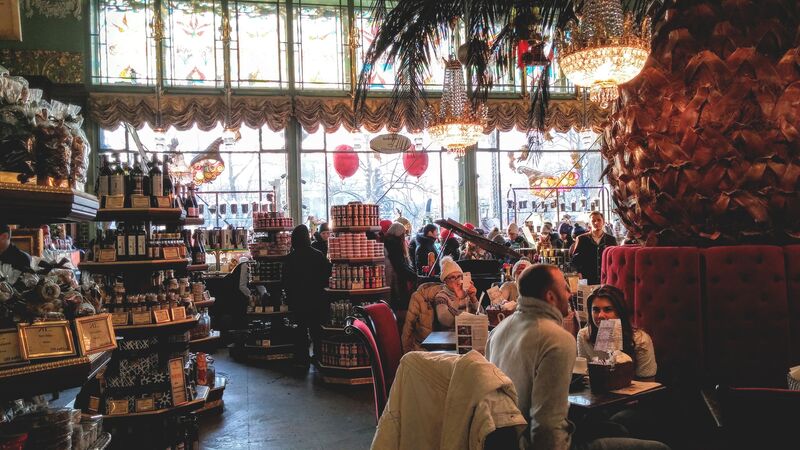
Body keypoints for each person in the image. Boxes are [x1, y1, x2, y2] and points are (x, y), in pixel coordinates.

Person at [486, 264, 669, 450]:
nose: (570, 293)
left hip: (509, 439)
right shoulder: (556, 338)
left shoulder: (499, 330)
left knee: (616, 428)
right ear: (550, 296)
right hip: (539, 443)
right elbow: (547, 422)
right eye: (565, 288)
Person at [577, 285, 657, 380]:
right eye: (596, 310)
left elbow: (648, 379)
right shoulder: (584, 336)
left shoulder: (641, 340)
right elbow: (585, 376)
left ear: (620, 312)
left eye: (608, 309)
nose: (600, 315)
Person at [282, 225, 332, 367]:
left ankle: (302, 358)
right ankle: (318, 356)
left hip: (298, 300)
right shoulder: (318, 255)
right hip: (316, 298)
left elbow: (285, 281)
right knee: (316, 329)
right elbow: (326, 276)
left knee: (300, 329)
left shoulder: (290, 258)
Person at [571, 212, 617, 285]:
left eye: (599, 220)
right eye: (593, 221)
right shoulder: (582, 239)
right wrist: (578, 272)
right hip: (586, 278)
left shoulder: (611, 239)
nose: (596, 223)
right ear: (589, 223)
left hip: (606, 278)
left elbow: (615, 260)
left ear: (603, 222)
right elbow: (575, 259)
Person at [433, 256, 479, 330]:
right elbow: (445, 322)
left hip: (469, 332)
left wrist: (473, 298)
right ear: (445, 281)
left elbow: (482, 317)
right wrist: (457, 299)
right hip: (450, 335)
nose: (457, 280)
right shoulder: (441, 296)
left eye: (459, 276)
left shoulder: (466, 292)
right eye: (452, 277)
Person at [383, 222, 417, 313]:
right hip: (396, 280)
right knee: (399, 306)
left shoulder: (389, 242)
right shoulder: (394, 245)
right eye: (403, 234)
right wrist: (414, 276)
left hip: (392, 277)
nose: (404, 236)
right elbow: (400, 266)